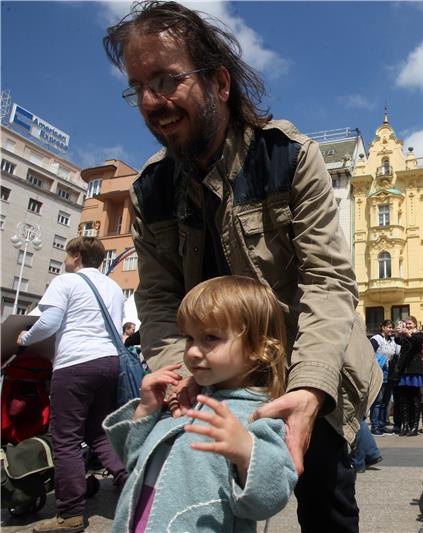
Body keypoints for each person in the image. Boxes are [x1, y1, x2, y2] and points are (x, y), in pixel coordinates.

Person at [103, 3, 380, 531]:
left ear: (220, 82)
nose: (149, 102)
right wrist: (180, 373)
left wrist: (310, 389)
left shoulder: (290, 156)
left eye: (165, 80)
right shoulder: (149, 190)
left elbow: (328, 280)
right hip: (212, 370)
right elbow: (157, 298)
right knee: (204, 498)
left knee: (325, 498)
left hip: (305, 358)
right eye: (136, 87)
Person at [103, 276, 296, 532]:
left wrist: (248, 454)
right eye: (189, 339)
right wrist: (146, 410)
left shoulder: (258, 416)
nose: (192, 351)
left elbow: (268, 500)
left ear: (258, 347)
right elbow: (134, 464)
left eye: (210, 338)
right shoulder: (184, 401)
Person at [17, 237, 128, 533]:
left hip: (76, 364)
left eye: (67, 254)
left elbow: (49, 321)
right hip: (109, 363)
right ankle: (129, 480)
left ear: (76, 255)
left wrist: (25, 338)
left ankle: (70, 514)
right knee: (98, 430)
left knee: (65, 438)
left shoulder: (66, 281)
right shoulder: (114, 287)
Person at [390, 317, 423, 436]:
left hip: (414, 370)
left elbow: (417, 341)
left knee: (415, 399)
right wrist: (397, 333)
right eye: (406, 324)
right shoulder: (405, 336)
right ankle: (405, 425)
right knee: (403, 399)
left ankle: (414, 426)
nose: (408, 326)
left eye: (410, 324)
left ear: (415, 325)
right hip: (404, 370)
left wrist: (408, 334)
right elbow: (398, 341)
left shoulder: (419, 334)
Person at [369, 320, 398, 435]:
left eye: (392, 328)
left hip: (389, 374)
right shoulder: (376, 339)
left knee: (385, 401)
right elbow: (370, 354)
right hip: (378, 373)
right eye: (389, 327)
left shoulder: (392, 341)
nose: (391, 330)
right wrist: (383, 360)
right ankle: (374, 426)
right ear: (383, 328)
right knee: (378, 401)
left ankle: (382, 425)